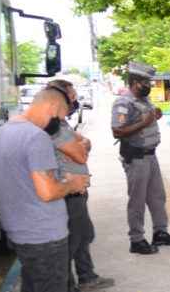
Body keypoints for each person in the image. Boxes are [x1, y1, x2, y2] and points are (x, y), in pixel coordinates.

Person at [0, 89, 91, 292]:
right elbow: (48, 192)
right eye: (60, 116)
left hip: (20, 231)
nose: (58, 122)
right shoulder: (37, 137)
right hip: (45, 236)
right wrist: (73, 183)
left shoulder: (2, 132)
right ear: (52, 107)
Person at [45, 80, 115, 291]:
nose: (75, 101)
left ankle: (87, 277)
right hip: (68, 191)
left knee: (83, 235)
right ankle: (67, 284)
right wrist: (81, 146)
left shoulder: (62, 122)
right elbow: (81, 152)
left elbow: (85, 143)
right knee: (72, 239)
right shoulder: (52, 124)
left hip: (78, 190)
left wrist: (81, 145)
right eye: (72, 98)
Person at [112, 62, 170, 255]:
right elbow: (117, 131)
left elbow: (147, 119)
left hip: (150, 155)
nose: (148, 85)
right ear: (134, 83)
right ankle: (136, 239)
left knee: (157, 197)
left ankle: (160, 232)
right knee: (137, 200)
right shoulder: (123, 103)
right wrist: (145, 122)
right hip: (136, 157)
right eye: (145, 82)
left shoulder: (144, 99)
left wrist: (154, 115)